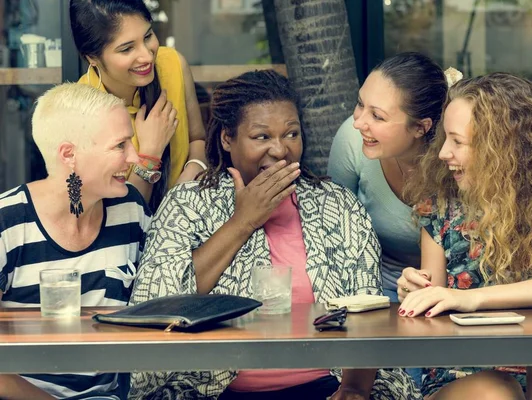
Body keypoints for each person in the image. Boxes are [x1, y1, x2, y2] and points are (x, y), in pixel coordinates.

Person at [127, 70, 421, 400]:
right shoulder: (188, 204)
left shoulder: (336, 204)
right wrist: (242, 222)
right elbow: (159, 306)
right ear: (227, 138)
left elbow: (368, 311)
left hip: (329, 385)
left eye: (291, 134)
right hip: (213, 390)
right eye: (262, 137)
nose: (280, 150)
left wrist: (353, 389)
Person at [397, 72, 532, 400]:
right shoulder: (440, 208)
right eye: (444, 138)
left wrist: (472, 298)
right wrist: (414, 288)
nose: (443, 152)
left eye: (457, 141)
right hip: (458, 383)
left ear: (501, 146)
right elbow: (432, 293)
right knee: (496, 391)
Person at [0, 83, 151, 399]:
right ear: (69, 154)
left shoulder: (130, 209)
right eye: (120, 145)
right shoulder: (7, 224)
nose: (135, 157)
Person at [327, 52, 449, 303]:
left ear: (420, 127)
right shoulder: (352, 140)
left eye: (378, 116)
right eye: (360, 104)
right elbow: (333, 229)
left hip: (446, 293)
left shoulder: (452, 160)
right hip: (369, 288)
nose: (359, 122)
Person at [70, 0, 207, 212]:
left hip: (186, 216)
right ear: (92, 58)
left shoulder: (172, 64)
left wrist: (187, 182)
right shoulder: (79, 110)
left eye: (148, 36)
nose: (147, 56)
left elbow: (197, 139)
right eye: (126, 49)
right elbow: (118, 215)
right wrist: (151, 152)